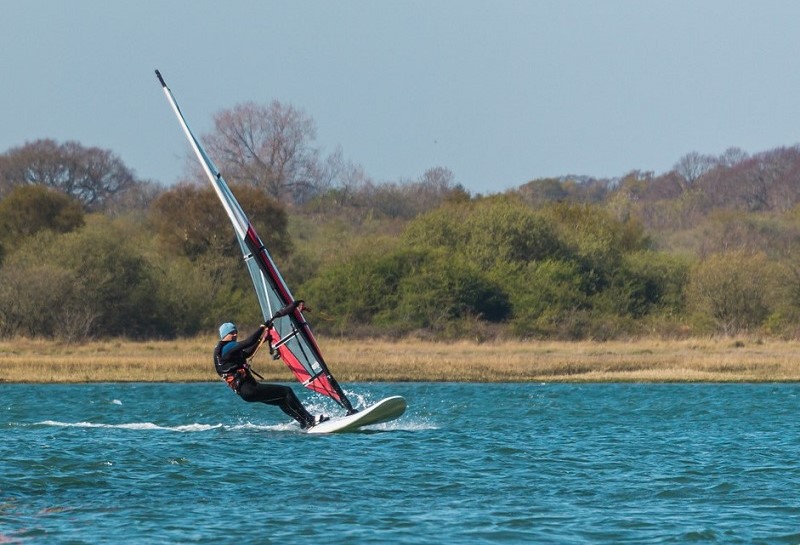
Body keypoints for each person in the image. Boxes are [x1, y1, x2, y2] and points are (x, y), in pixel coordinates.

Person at [213, 321, 328, 429]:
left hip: (247, 393)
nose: (235, 334)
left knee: (281, 400)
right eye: (232, 333)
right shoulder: (227, 347)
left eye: (235, 332)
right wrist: (263, 327)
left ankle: (304, 422)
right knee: (286, 391)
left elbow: (247, 353)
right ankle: (310, 419)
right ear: (225, 335)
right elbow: (249, 342)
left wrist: (262, 339)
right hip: (249, 389)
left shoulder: (225, 350)